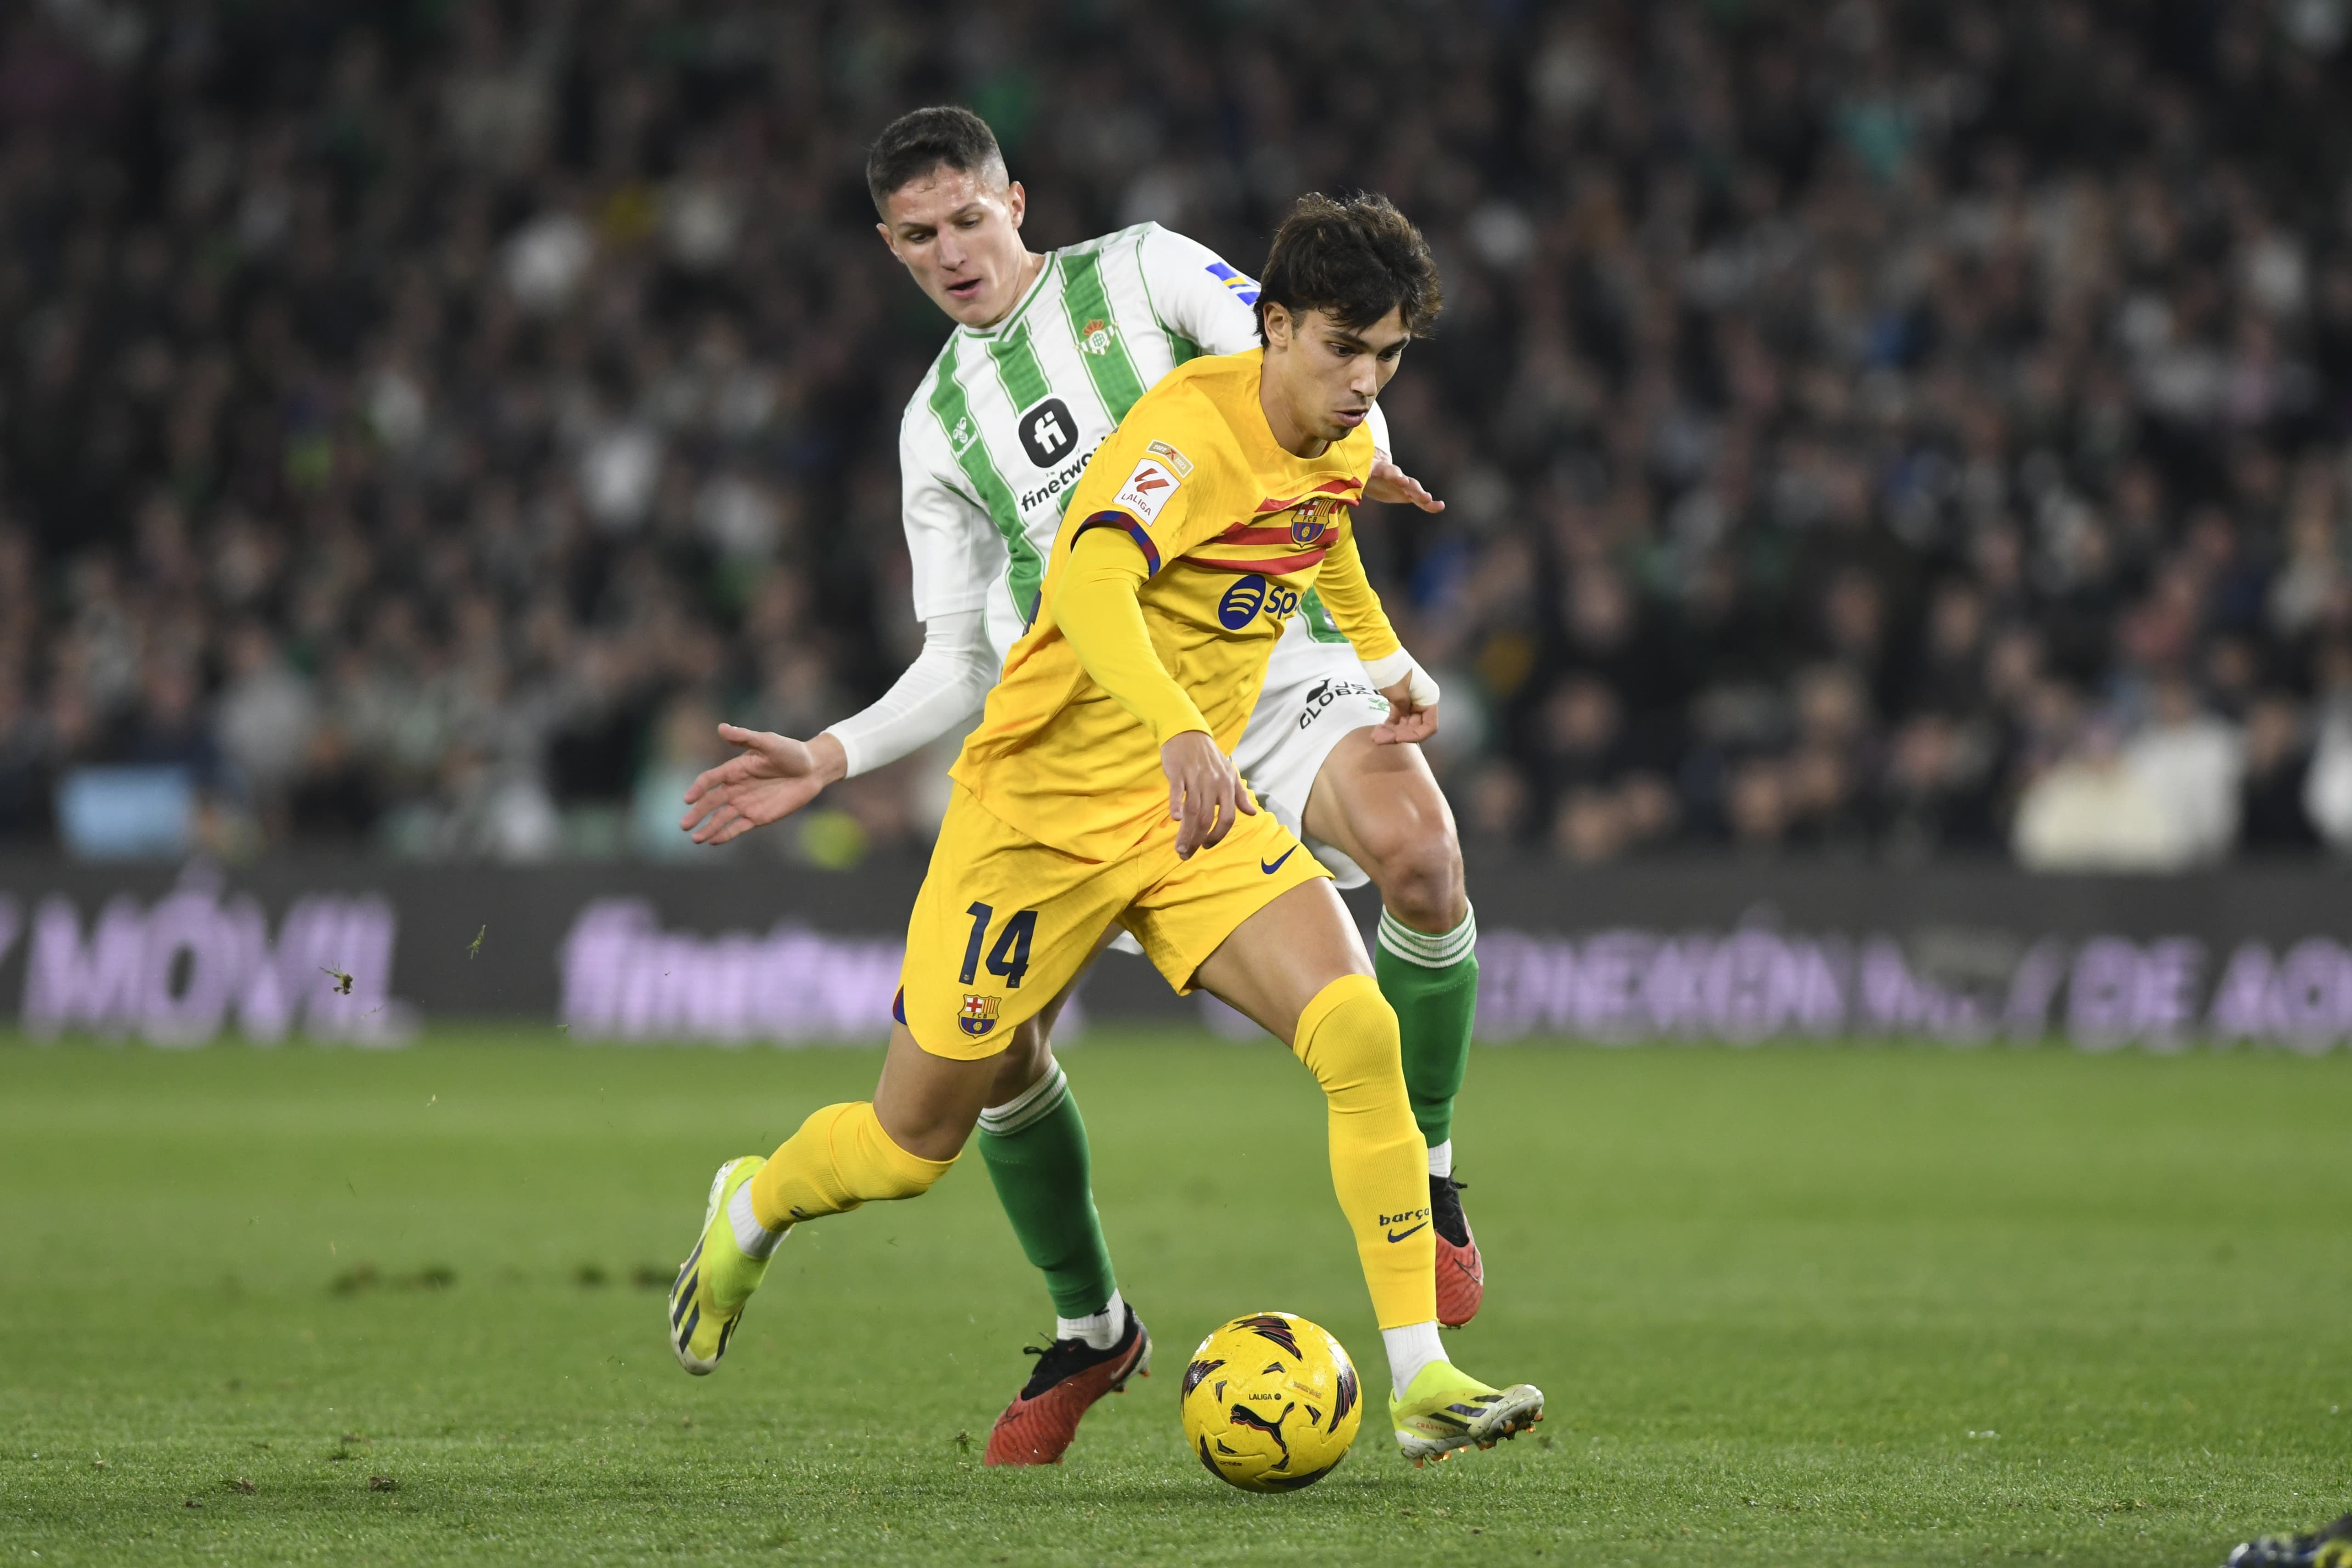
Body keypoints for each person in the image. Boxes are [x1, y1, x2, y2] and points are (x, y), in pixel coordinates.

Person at [667, 191, 1542, 1468]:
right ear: (1274, 324)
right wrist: (1185, 728)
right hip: (1036, 817)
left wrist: (1387, 660)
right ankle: (754, 1204)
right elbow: (1085, 577)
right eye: (1344, 350)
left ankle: (1421, 1380)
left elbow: (1325, 528)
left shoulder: (1343, 437)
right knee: (910, 1147)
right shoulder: (1187, 428)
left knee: (1358, 1029)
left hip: (1183, 822)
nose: (1366, 381)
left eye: (1388, 356)